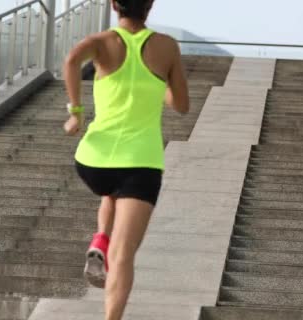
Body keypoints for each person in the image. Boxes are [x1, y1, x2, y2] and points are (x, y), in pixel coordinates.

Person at [62, 0, 190, 319]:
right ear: (150, 5)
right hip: (140, 162)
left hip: (93, 160)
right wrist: (156, 85)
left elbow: (71, 60)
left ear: (113, 4)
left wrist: (75, 112)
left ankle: (100, 237)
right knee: (123, 255)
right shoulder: (166, 47)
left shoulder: (101, 42)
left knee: (111, 190)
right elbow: (182, 105)